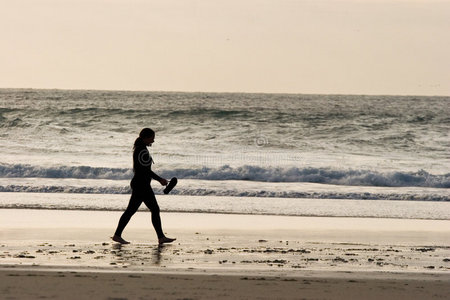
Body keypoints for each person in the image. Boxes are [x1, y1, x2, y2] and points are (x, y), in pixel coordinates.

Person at [112, 128, 176, 245]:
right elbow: (145, 171)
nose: (153, 141)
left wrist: (158, 179)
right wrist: (160, 179)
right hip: (141, 185)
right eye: (152, 138)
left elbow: (145, 170)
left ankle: (117, 235)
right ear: (146, 138)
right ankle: (160, 237)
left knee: (131, 211)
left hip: (140, 184)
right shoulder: (141, 150)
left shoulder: (140, 148)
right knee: (153, 209)